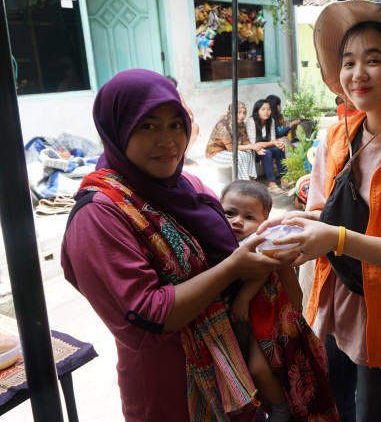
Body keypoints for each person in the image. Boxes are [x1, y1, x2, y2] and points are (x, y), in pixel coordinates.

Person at [60, 69, 299, 422]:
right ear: (117, 129)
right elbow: (147, 315)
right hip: (171, 392)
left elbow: (229, 251)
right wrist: (234, 268)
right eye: (148, 126)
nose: (168, 141)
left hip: (233, 372)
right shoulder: (99, 216)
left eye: (176, 124)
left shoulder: (187, 185)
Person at [258, 0, 381, 422]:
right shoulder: (337, 134)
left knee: (375, 410)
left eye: (373, 60)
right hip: (333, 294)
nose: (357, 73)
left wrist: (335, 238)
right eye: (348, 62)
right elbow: (323, 212)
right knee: (334, 399)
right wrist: (297, 225)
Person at [220, 180, 339, 422]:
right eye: (229, 213)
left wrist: (244, 296)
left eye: (249, 216)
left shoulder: (262, 241)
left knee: (258, 369)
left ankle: (280, 409)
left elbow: (264, 269)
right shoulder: (219, 239)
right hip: (241, 322)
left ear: (265, 221)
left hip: (264, 319)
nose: (237, 221)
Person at [205, 101, 258, 180]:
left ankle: (250, 179)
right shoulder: (223, 125)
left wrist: (253, 147)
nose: (242, 116)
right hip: (215, 154)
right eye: (239, 112)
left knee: (249, 152)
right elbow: (231, 148)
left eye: (244, 113)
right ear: (232, 112)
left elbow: (244, 141)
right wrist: (252, 146)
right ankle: (243, 183)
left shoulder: (241, 124)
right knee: (239, 156)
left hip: (227, 152)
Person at [246, 99, 287, 193]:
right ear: (257, 111)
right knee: (267, 152)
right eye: (263, 109)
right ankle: (271, 182)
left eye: (268, 109)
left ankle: (284, 178)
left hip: (264, 147)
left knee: (279, 149)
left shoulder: (271, 121)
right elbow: (254, 143)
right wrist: (273, 143)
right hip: (253, 150)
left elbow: (272, 140)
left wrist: (278, 144)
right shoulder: (251, 121)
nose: (266, 112)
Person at [166, 75, 199, 158]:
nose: (169, 90)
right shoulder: (157, 96)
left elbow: (190, 115)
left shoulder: (177, 95)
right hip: (163, 126)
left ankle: (182, 157)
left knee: (194, 128)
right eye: (167, 86)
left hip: (176, 124)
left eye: (172, 88)